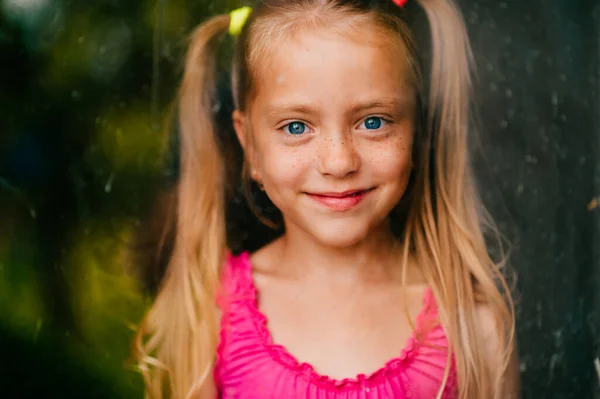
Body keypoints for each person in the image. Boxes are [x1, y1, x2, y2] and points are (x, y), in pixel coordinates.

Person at [133, 0, 519, 398]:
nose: (339, 162)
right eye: (297, 126)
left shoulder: (474, 330)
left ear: (416, 129)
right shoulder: (209, 319)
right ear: (249, 146)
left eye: (373, 122)